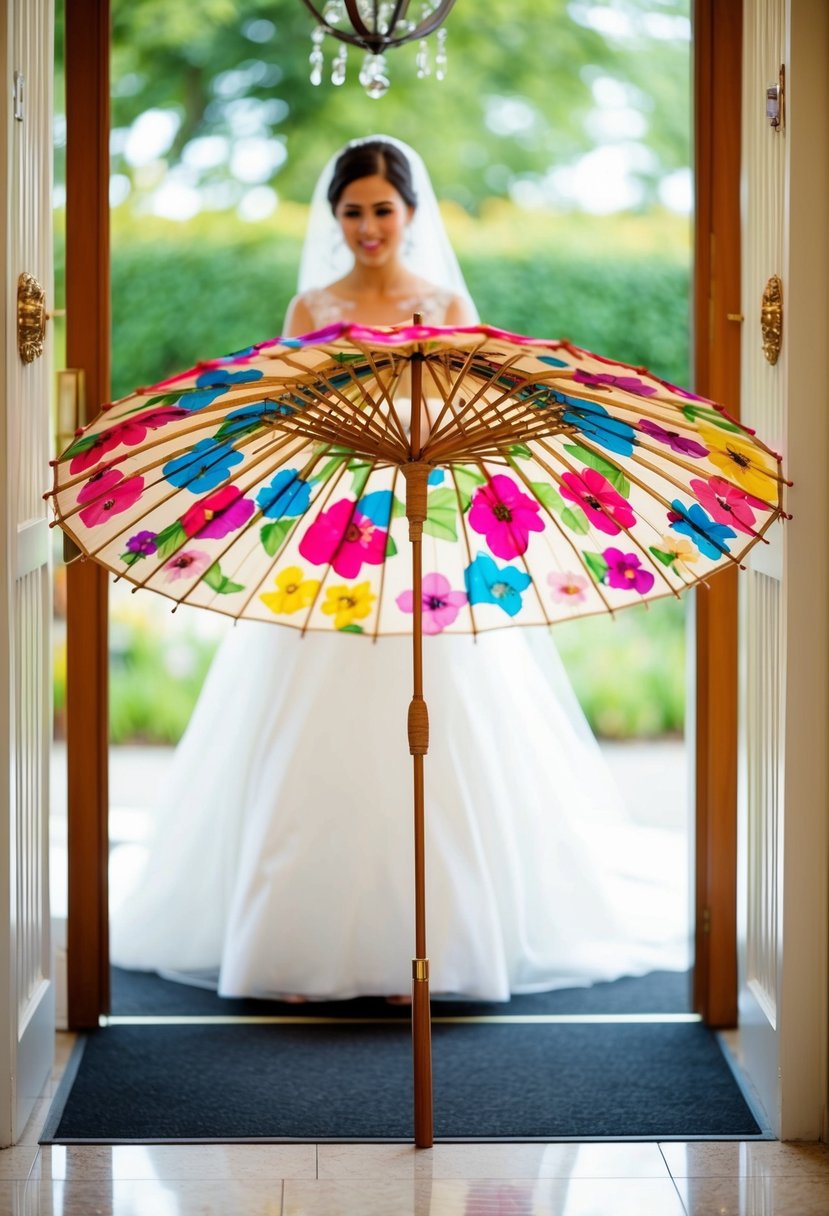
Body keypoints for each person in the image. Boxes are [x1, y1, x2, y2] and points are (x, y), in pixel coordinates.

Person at [110, 136, 689, 1002]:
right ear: (334, 218)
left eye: (382, 209)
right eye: (352, 211)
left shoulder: (445, 302)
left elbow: (474, 418)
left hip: (426, 538)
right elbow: (285, 427)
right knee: (314, 729)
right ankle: (293, 952)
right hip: (335, 535)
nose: (368, 226)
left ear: (411, 214)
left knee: (439, 727)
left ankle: (429, 951)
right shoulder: (312, 308)